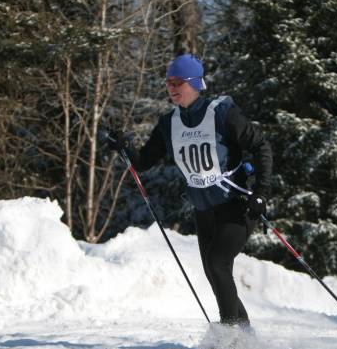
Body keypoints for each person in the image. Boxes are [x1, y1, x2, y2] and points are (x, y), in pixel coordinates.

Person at [108, 54, 272, 331]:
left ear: (194, 83)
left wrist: (262, 192)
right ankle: (244, 337)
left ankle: (228, 339)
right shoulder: (169, 123)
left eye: (178, 82)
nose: (171, 88)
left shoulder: (221, 113)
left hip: (237, 205)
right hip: (204, 210)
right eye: (168, 82)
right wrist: (124, 147)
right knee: (214, 271)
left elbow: (261, 146)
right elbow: (143, 162)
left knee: (218, 264)